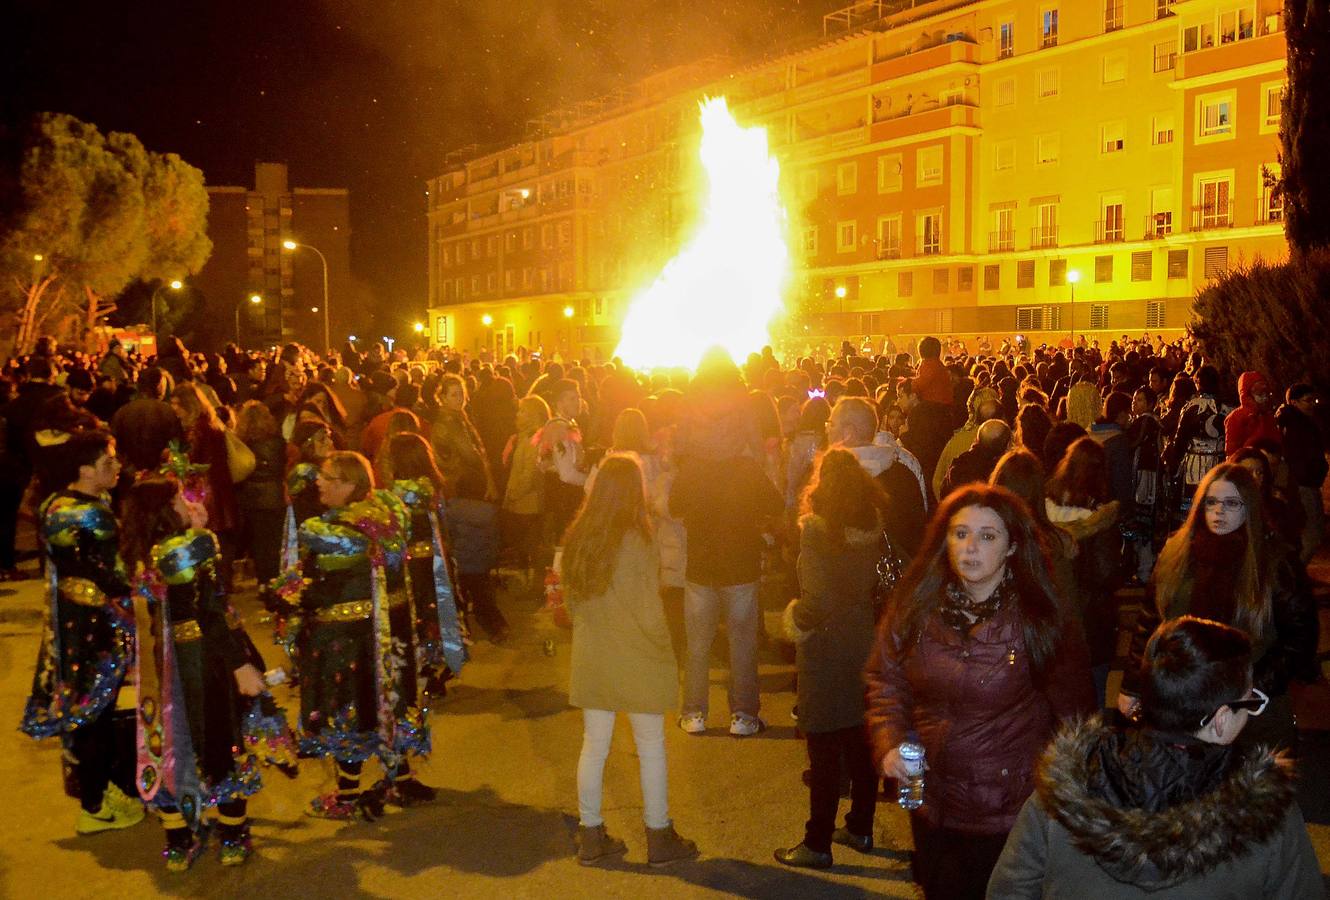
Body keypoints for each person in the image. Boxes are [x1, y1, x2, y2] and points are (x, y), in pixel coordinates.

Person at [865, 484, 1095, 900]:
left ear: (1011, 548)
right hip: (931, 801)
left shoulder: (1040, 620)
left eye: (988, 536)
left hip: (1008, 811)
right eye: (960, 533)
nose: (971, 547)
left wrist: (1068, 798)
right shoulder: (917, 605)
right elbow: (886, 679)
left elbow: (1075, 719)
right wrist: (890, 743)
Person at [987, 616, 1324, 899]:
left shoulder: (1062, 792)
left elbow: (1007, 891)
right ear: (1220, 720)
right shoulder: (1267, 814)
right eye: (1249, 703)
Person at [120, 478, 270, 870]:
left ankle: (179, 841)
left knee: (166, 741)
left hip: (156, 661)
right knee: (219, 735)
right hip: (199, 657)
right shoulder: (190, 547)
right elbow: (210, 611)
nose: (190, 504)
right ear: (170, 507)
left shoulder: (137, 553)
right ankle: (233, 835)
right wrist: (240, 664)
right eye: (181, 499)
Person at [1118, 464, 1320, 751]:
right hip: (1183, 702)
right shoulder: (1177, 553)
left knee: (1246, 790)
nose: (1219, 511)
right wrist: (1132, 685)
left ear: (1249, 507)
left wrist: (1251, 689)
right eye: (1211, 502)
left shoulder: (1274, 562)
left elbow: (1300, 637)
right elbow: (1149, 623)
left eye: (1231, 503)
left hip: (1247, 712)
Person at [563, 454, 697, 867]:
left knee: (594, 745)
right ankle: (658, 836)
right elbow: (648, 609)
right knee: (651, 747)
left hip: (594, 652)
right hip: (636, 652)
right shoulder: (638, 538)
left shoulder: (579, 536)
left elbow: (570, 602)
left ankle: (590, 834)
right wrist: (665, 652)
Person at [280, 450, 422, 820]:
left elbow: (317, 585)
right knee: (388, 700)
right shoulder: (385, 515)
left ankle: (348, 795)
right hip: (390, 631)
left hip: (350, 636)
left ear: (348, 484)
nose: (318, 483)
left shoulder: (343, 532)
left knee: (350, 708)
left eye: (327, 477)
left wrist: (290, 600)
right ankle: (401, 779)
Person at [19, 430, 143, 835]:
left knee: (88, 709)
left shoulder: (59, 501)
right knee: (95, 712)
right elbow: (113, 575)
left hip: (72, 618)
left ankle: (98, 791)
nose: (117, 468)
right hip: (93, 626)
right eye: (109, 463)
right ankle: (94, 805)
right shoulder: (90, 513)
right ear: (86, 470)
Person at [773, 449, 884, 870]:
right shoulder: (871, 525)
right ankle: (860, 826)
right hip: (860, 640)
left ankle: (817, 842)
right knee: (859, 739)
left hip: (825, 648)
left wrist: (794, 622)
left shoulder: (816, 532)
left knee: (822, 750)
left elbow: (816, 598)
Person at [378, 432, 467, 706]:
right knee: (434, 612)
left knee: (415, 615)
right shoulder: (430, 488)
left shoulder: (398, 495)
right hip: (434, 562)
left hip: (410, 566)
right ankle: (434, 669)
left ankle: (422, 671)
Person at [1276, 383, 1327, 563]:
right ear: (1294, 402)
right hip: (1302, 484)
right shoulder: (1293, 424)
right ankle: (1293, 576)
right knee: (1312, 534)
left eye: (1314, 400)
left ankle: (1295, 575)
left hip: (1308, 482)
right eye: (1308, 401)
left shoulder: (1304, 422)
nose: (1312, 404)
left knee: (1310, 533)